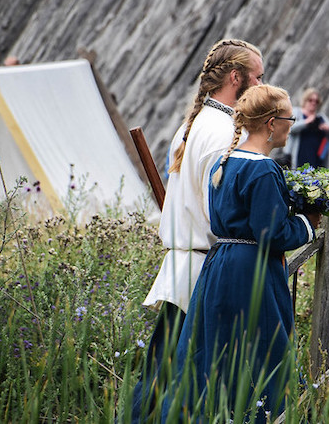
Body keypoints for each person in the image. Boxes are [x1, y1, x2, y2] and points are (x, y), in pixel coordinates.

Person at [162, 85, 320, 422]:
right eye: (289, 119)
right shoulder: (262, 169)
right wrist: (308, 222)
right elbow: (271, 233)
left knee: (217, 346)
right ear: (271, 123)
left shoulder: (225, 161)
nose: (292, 125)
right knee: (264, 347)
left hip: (219, 267)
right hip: (252, 272)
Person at [130, 39, 264, 423]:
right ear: (235, 77)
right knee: (189, 380)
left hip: (187, 264)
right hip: (207, 268)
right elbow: (223, 212)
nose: (261, 86)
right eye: (258, 77)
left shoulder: (197, 124)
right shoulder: (224, 131)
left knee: (161, 373)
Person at [282, 87, 329, 169]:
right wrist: (306, 122)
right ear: (305, 100)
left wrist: (328, 129)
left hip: (316, 160)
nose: (313, 103)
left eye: (316, 101)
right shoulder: (296, 112)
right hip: (297, 159)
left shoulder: (320, 117)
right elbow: (289, 128)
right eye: (310, 100)